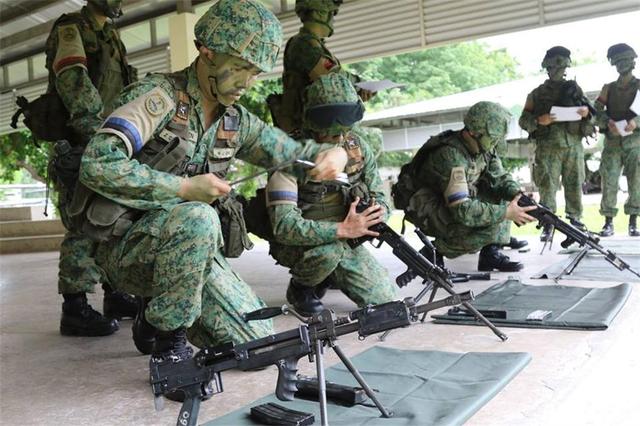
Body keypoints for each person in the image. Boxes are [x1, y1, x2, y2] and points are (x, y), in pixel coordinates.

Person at [76, 0, 350, 361]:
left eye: (255, 73)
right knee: (198, 216)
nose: (247, 82)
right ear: (207, 52)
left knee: (256, 343)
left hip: (190, 251)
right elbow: (97, 163)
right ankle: (168, 347)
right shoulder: (157, 98)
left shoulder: (235, 120)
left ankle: (155, 314)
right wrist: (183, 189)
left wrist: (331, 155)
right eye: (239, 68)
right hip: (128, 251)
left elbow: (286, 153)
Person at [265, 73, 397, 316]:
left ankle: (328, 275)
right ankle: (302, 288)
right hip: (302, 242)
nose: (339, 138)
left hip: (349, 236)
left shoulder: (358, 148)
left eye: (344, 130)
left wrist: (377, 213)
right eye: (330, 132)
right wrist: (340, 230)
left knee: (386, 300)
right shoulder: (287, 154)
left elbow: (380, 194)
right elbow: (284, 226)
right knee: (329, 253)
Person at [45, 0, 137, 336]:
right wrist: (98, 134)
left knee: (113, 220)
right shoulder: (71, 28)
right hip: (84, 141)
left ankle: (115, 295)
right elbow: (74, 81)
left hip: (110, 141)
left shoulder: (111, 36)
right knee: (83, 224)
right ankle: (75, 308)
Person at [392, 101, 536, 272]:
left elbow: (500, 178)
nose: (496, 142)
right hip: (427, 209)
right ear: (474, 132)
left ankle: (490, 254)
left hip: (450, 203)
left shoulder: (484, 146)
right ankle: (433, 251)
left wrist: (518, 195)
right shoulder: (451, 156)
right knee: (490, 223)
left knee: (506, 199)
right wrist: (505, 213)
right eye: (493, 138)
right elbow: (463, 211)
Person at [518, 46, 594, 242]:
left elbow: (591, 115)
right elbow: (523, 120)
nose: (557, 72)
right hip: (548, 147)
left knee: (574, 185)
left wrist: (586, 113)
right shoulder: (536, 94)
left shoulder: (575, 89)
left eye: (561, 68)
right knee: (547, 187)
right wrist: (538, 121)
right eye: (553, 68)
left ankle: (575, 222)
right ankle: (547, 223)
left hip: (573, 146)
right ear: (547, 68)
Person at [276, 0, 374, 133]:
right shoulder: (304, 44)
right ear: (319, 13)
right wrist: (361, 85)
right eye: (332, 13)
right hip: (307, 130)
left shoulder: (311, 44)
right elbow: (334, 79)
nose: (333, 20)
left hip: (316, 127)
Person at [594, 43, 640, 237]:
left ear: (632, 61)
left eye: (625, 60)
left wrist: (636, 122)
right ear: (614, 64)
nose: (622, 65)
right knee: (610, 181)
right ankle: (608, 222)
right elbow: (595, 111)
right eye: (618, 61)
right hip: (612, 142)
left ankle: (633, 222)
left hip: (635, 143)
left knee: (636, 182)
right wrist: (607, 122)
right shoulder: (608, 88)